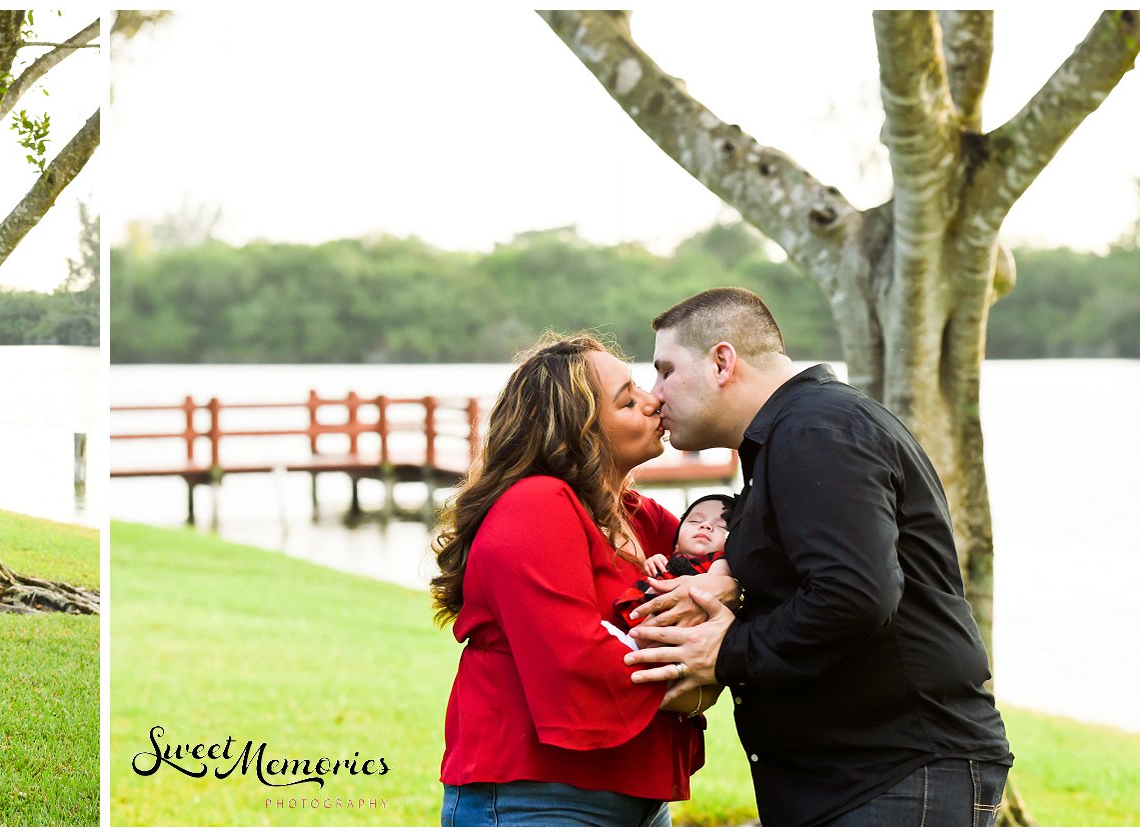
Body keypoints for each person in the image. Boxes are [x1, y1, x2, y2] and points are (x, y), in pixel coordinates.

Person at [624, 287, 1013, 827]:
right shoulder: (796, 432)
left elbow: (854, 593)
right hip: (858, 779)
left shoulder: (816, 430)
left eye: (665, 370)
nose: (654, 394)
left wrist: (728, 650)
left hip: (895, 775)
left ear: (721, 361)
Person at [432, 333, 715, 827]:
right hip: (538, 797)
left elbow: (733, 560)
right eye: (629, 400)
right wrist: (706, 676)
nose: (655, 400)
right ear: (579, 433)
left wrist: (729, 588)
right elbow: (576, 658)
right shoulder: (534, 505)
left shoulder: (637, 516)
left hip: (636, 799)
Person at [613, 494, 734, 630]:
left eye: (722, 526)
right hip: (645, 615)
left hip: (685, 618)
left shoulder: (719, 561)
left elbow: (712, 585)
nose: (706, 525)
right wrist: (652, 562)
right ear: (676, 541)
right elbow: (652, 577)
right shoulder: (669, 559)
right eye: (695, 521)